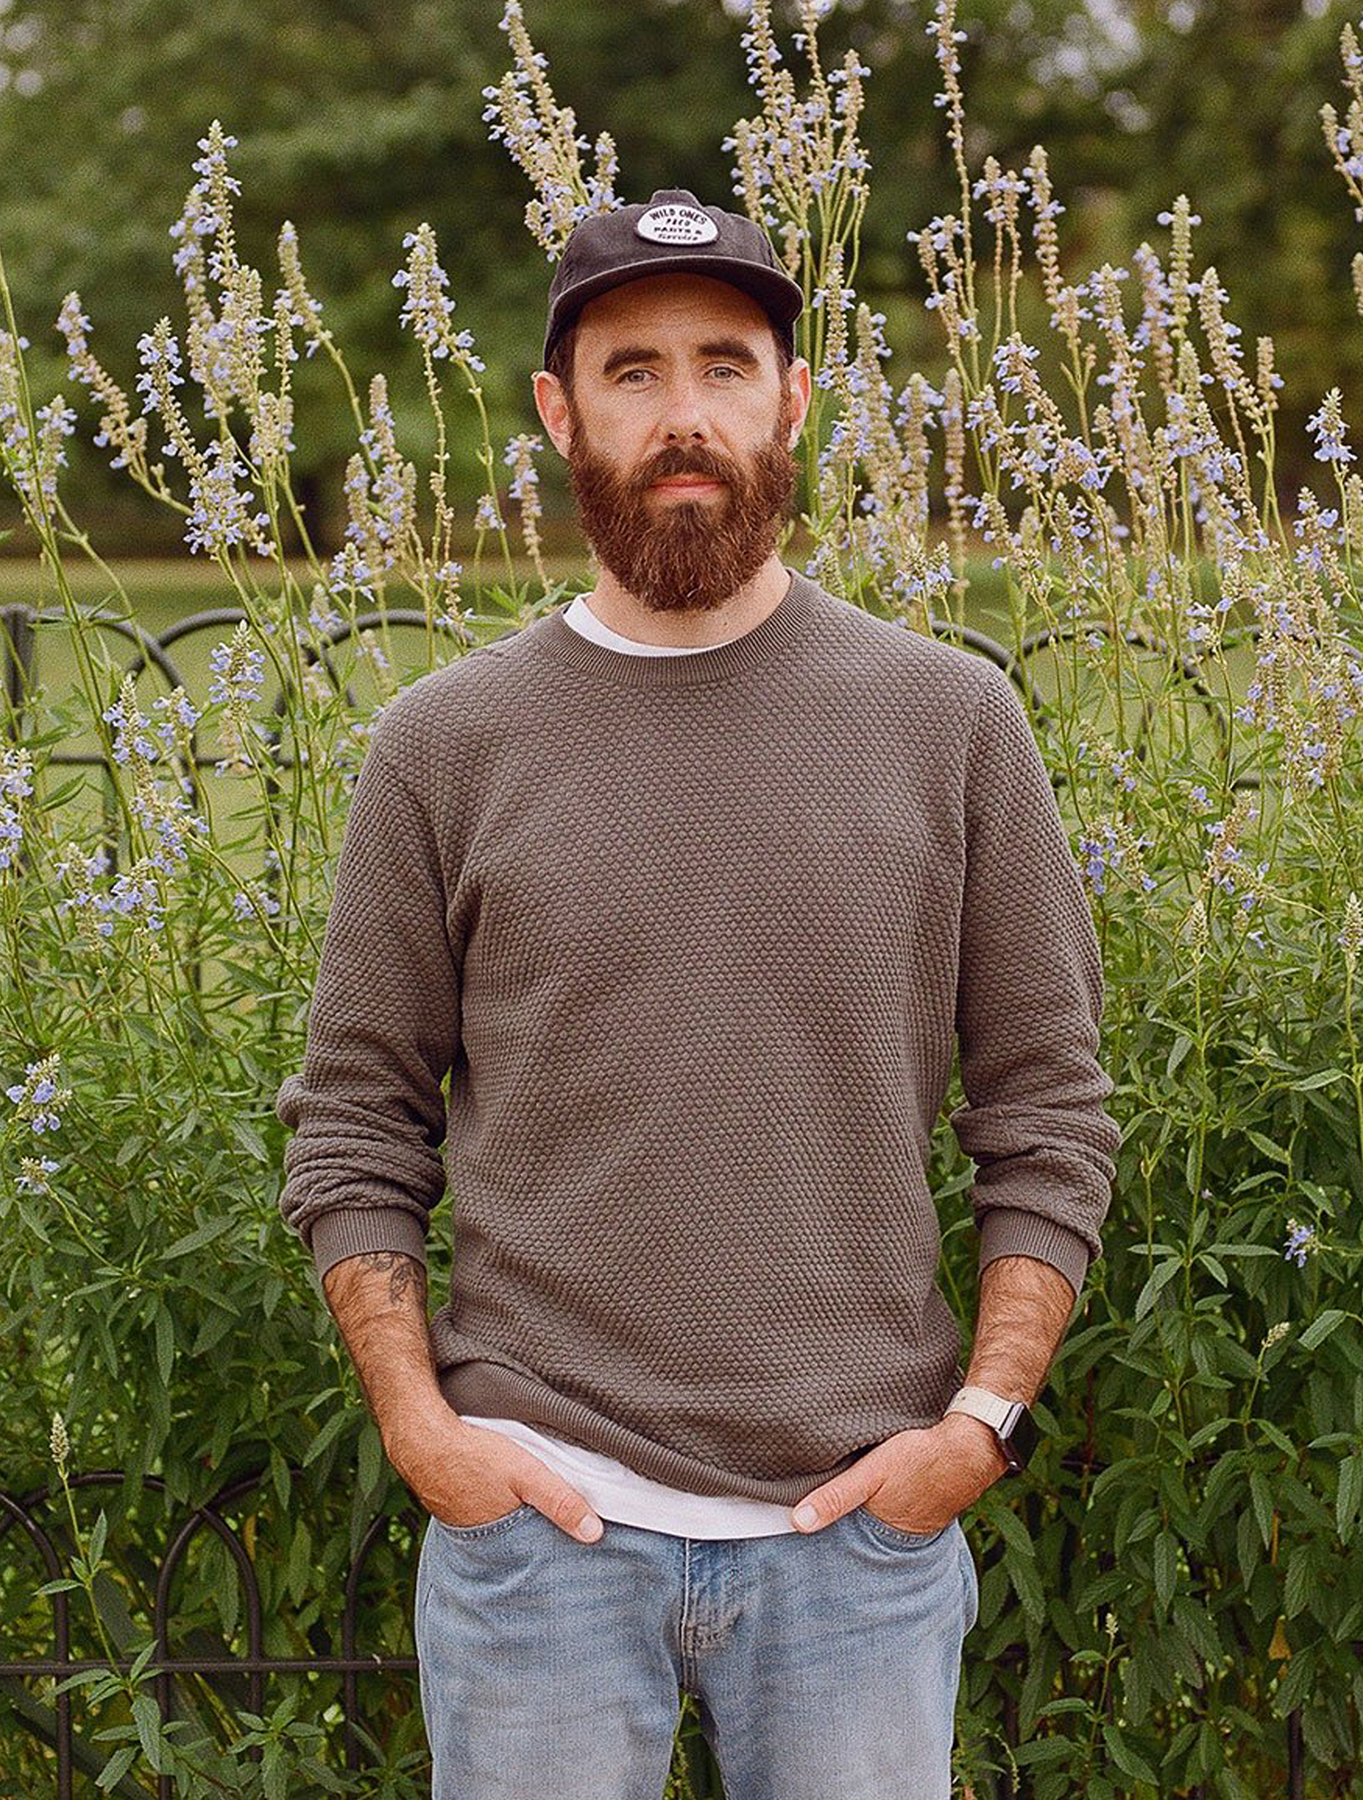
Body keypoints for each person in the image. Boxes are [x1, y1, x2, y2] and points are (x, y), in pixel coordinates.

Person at [274, 187, 1122, 1799]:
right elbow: (356, 1124)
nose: (685, 417)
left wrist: (982, 1425)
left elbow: (1052, 1113)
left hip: (857, 1553)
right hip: (538, 1548)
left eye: (727, 366)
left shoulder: (948, 724)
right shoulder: (446, 747)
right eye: (635, 370)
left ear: (793, 399)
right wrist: (421, 1430)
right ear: (556, 411)